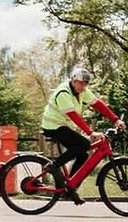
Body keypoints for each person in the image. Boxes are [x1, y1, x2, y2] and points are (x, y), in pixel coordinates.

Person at [39, 67, 117, 196]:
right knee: (84, 144)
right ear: (73, 80)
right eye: (80, 83)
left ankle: (70, 187)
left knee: (83, 155)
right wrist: (91, 132)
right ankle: (54, 166)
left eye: (85, 83)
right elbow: (73, 115)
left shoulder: (82, 91)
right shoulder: (63, 92)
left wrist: (115, 119)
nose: (83, 86)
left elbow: (98, 104)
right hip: (53, 126)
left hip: (63, 126)